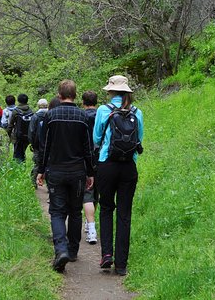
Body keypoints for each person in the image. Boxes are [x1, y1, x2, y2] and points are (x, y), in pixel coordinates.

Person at [36, 80, 94, 273]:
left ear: (59, 95)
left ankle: (61, 250)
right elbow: (87, 148)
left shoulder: (51, 116)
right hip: (77, 171)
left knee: (57, 211)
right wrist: (90, 172)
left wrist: (41, 170)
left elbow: (45, 147)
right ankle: (73, 250)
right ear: (75, 95)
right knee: (76, 211)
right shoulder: (82, 116)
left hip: (56, 170)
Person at [93, 75, 144, 276]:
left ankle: (107, 254)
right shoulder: (137, 112)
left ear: (110, 91)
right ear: (127, 91)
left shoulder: (103, 110)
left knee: (106, 208)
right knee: (124, 213)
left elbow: (97, 137)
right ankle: (121, 264)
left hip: (107, 164)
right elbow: (139, 139)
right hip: (128, 168)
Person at [81, 90, 99, 245]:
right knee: (96, 193)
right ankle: (89, 222)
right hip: (101, 158)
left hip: (84, 159)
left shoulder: (81, 116)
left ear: (83, 102)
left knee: (87, 193)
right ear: (97, 102)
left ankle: (91, 228)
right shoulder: (103, 115)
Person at [28, 98, 49, 188]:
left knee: (37, 163)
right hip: (49, 144)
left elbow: (31, 131)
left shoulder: (35, 116)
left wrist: (32, 144)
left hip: (38, 145)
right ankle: (49, 186)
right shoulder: (51, 115)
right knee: (49, 164)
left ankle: (33, 183)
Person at [7, 93, 33, 162]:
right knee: (22, 151)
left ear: (18, 101)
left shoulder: (16, 111)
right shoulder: (31, 111)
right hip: (28, 135)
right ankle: (22, 165)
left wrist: (8, 134)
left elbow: (11, 124)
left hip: (18, 135)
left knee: (17, 154)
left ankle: (18, 167)